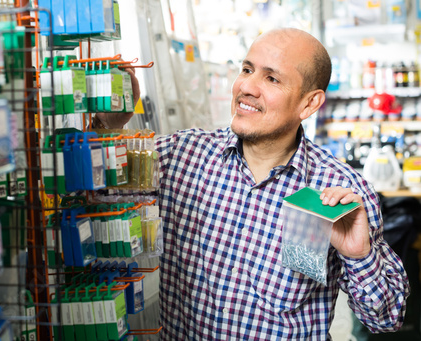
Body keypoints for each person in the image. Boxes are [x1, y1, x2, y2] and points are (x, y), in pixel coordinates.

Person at [94, 28, 410, 340]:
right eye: (247, 69)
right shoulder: (180, 157)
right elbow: (97, 204)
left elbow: (386, 319)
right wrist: (110, 126)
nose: (246, 86)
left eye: (271, 78)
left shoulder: (338, 191)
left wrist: (359, 256)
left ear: (309, 104)